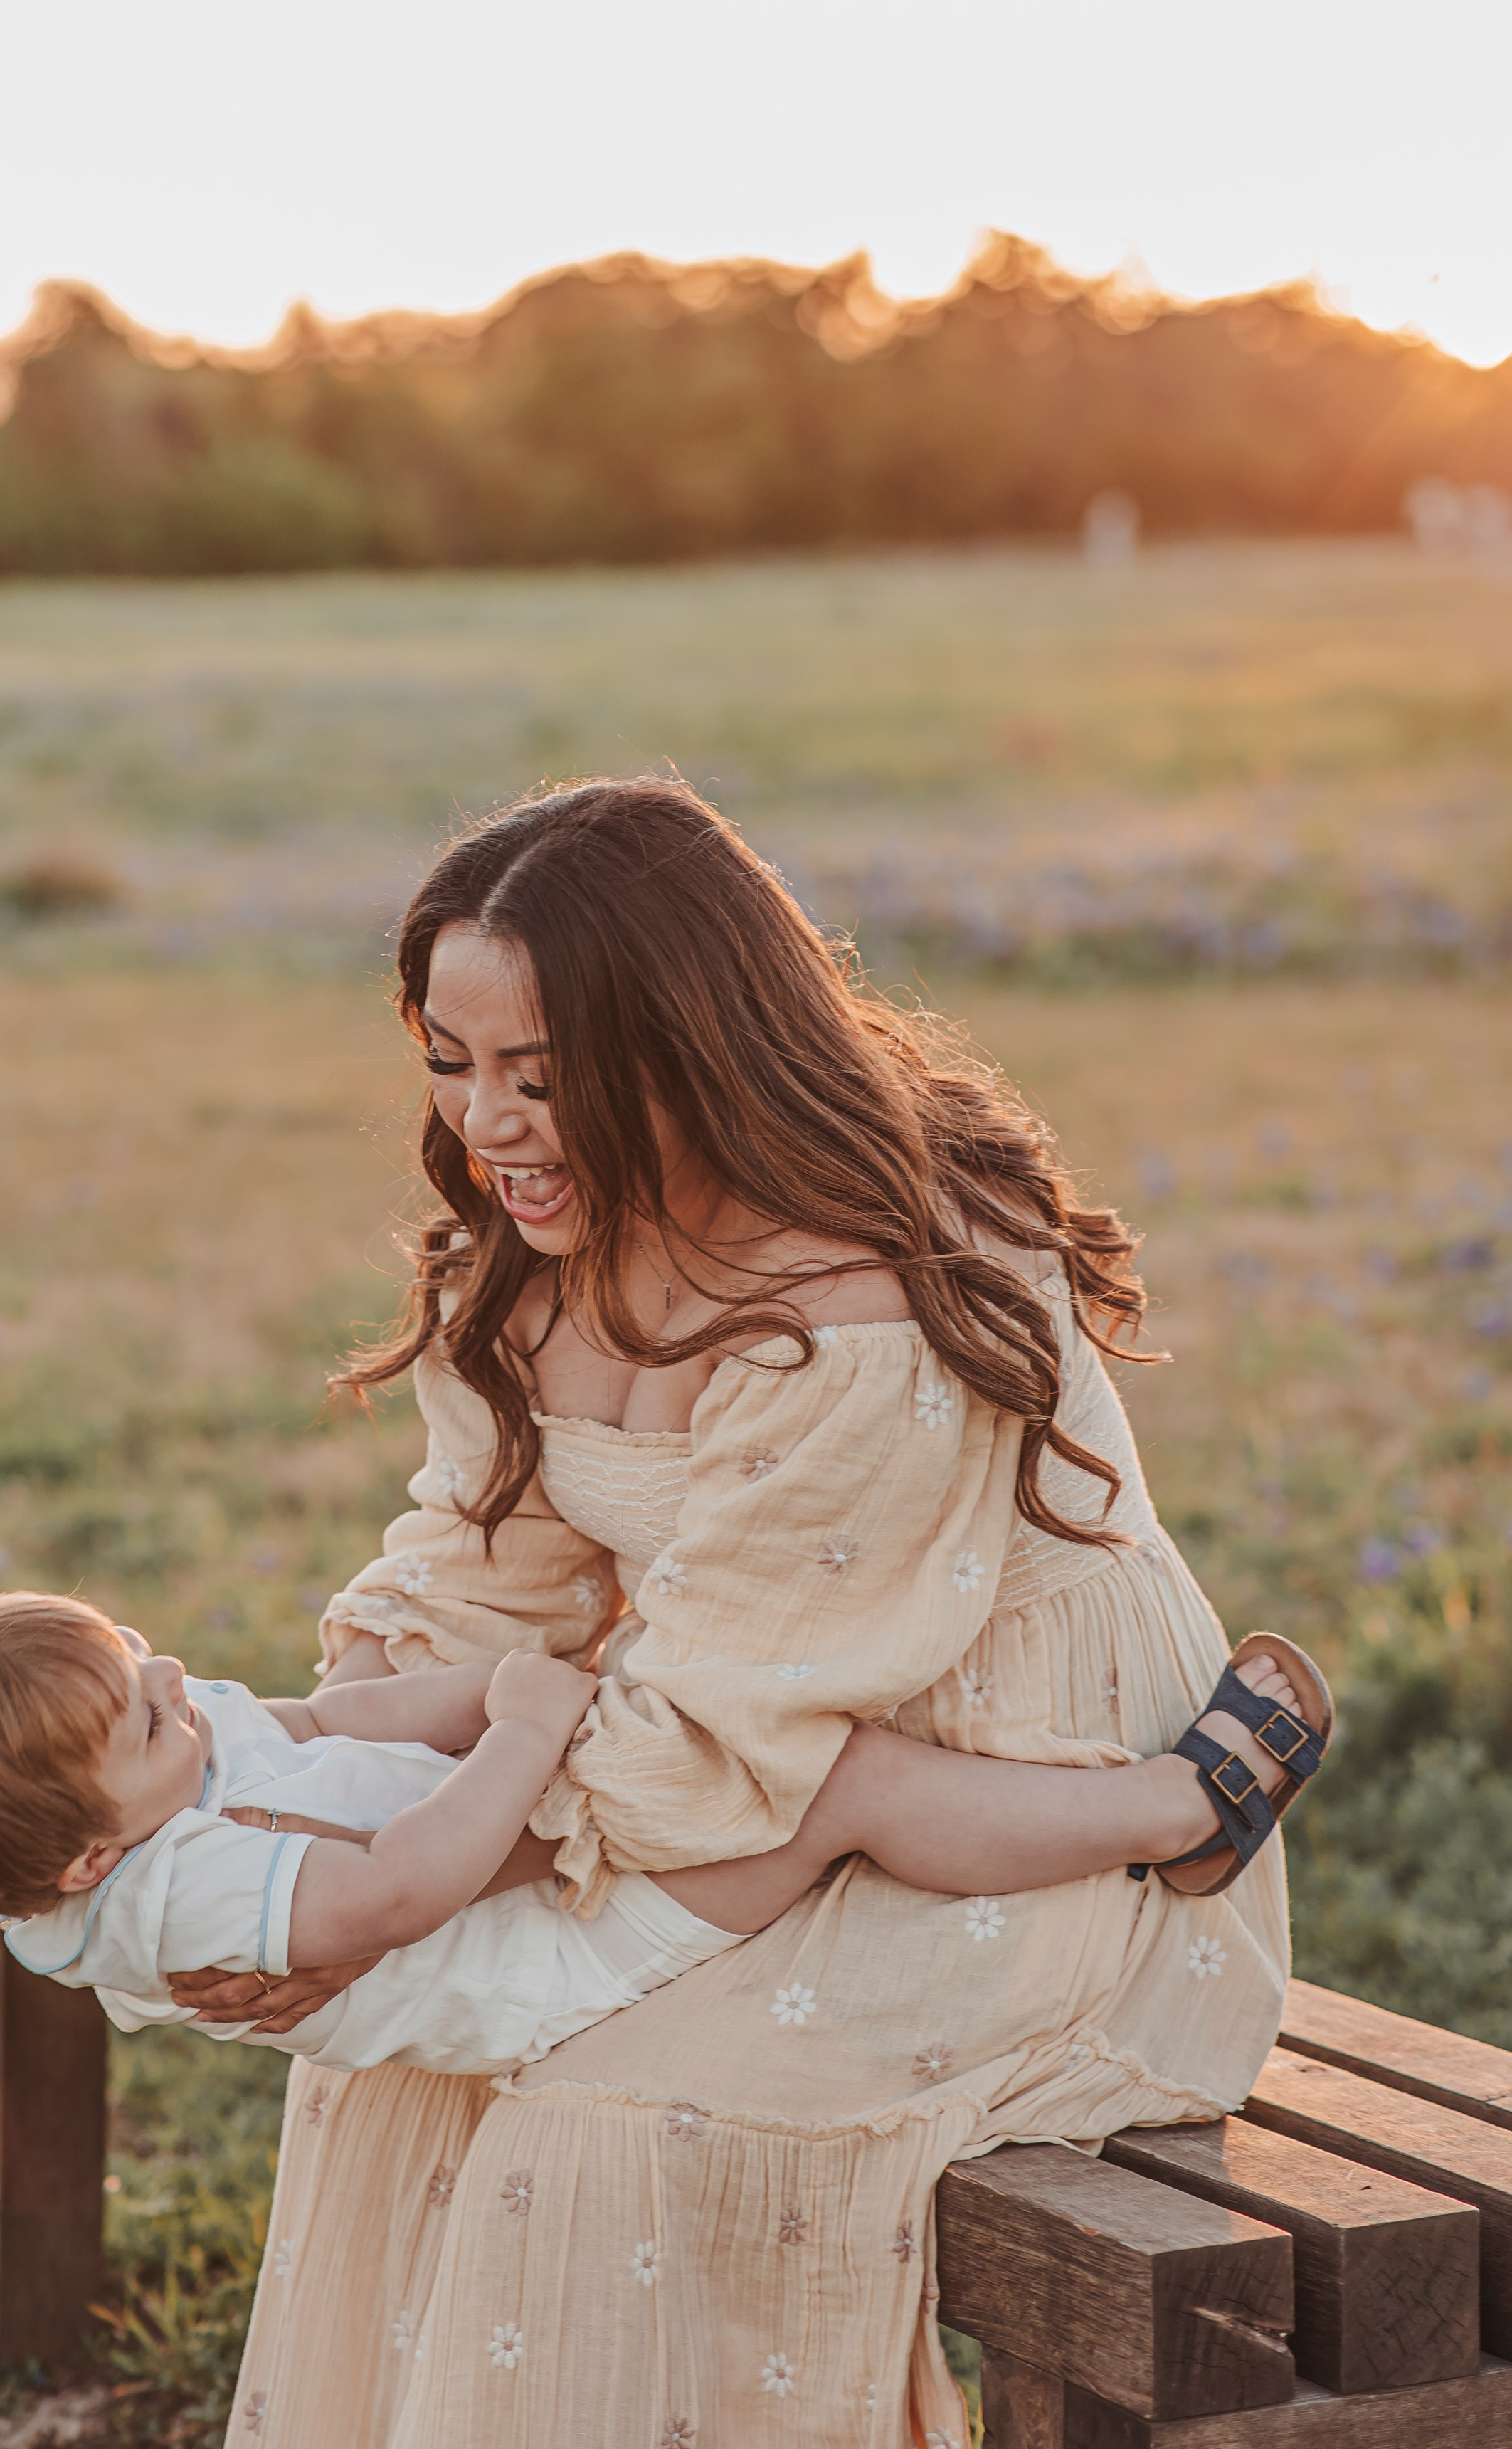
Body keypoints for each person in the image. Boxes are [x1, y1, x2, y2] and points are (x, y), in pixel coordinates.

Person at [166, 776, 1314, 2448]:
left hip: (1032, 1810)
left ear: (684, 1050)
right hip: (732, 1770)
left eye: (539, 1079)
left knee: (602, 2127)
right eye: (448, 1062)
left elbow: (726, 1731)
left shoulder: (865, 1290)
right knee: (396, 2058)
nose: (485, 1123)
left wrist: (412, 1880)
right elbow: (472, 1578)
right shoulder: (537, 1252)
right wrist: (326, 1829)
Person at [0, 1591, 1313, 2078]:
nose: (177, 1687)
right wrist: (531, 1734)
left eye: (142, 1656)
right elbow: (404, 1885)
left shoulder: (158, 1769)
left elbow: (316, 1725)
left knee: (769, 1747)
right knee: (834, 1784)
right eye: (145, 1717)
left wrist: (479, 1693)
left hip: (524, 1848)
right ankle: (1182, 1810)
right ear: (92, 1859)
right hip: (557, 1950)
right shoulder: (177, 1899)